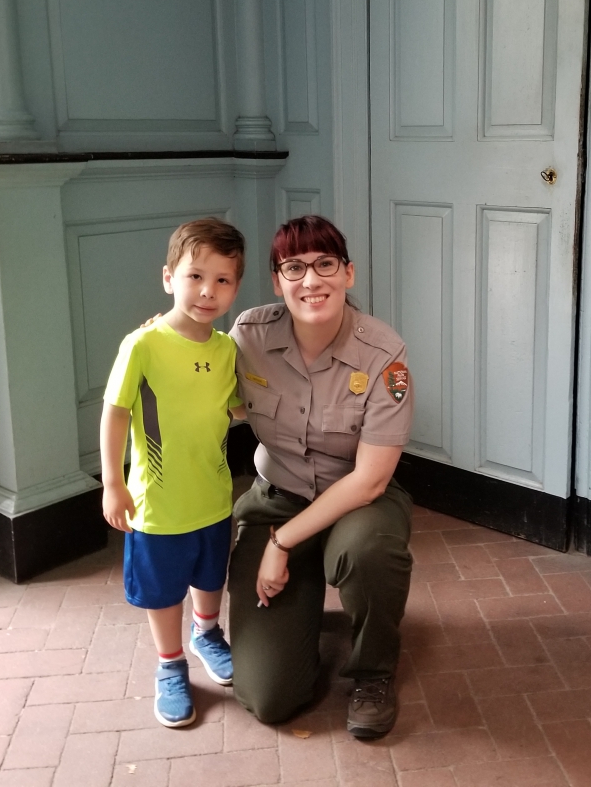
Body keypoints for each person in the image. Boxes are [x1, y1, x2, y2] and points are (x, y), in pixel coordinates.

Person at [228, 215, 414, 738]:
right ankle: (301, 611)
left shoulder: (384, 355)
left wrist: (281, 542)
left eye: (325, 264)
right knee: (269, 698)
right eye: (294, 267)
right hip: (277, 496)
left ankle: (373, 672)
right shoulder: (249, 336)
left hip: (359, 500)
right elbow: (213, 400)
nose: (311, 281)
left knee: (367, 552)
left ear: (348, 274)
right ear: (277, 280)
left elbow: (373, 479)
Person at [99, 218, 248, 728]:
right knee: (163, 591)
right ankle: (170, 665)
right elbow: (115, 413)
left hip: (213, 496)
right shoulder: (141, 345)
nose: (208, 291)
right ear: (169, 278)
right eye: (195, 276)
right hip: (156, 505)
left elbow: (237, 409)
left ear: (236, 287)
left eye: (223, 280)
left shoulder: (228, 350)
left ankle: (207, 634)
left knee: (211, 576)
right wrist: (113, 484)